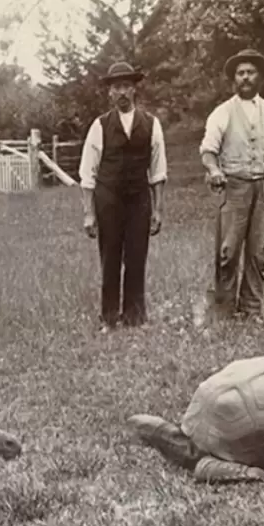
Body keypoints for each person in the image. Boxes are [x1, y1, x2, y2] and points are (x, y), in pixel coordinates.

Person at [198, 48, 264, 319]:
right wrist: (214, 170)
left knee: (259, 250)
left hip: (262, 187)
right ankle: (224, 310)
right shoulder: (222, 112)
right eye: (241, 73)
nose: (246, 78)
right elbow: (208, 150)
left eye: (251, 72)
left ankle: (252, 310)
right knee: (227, 251)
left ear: (259, 77)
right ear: (234, 79)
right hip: (235, 187)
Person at [78, 61, 167, 332]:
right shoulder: (100, 126)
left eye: (127, 86)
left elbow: (158, 170)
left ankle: (135, 317)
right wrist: (89, 212)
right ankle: (109, 318)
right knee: (111, 257)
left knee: (137, 257)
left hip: (139, 199)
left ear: (135, 90)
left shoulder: (151, 124)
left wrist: (158, 209)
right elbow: (87, 173)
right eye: (116, 87)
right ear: (109, 93)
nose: (122, 93)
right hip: (109, 199)